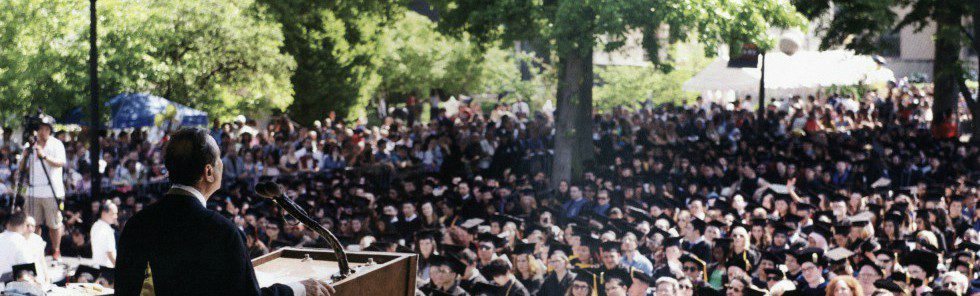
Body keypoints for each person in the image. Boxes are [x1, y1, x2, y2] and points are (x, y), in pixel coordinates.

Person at [115, 127, 333, 296]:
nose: (222, 164)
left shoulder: (137, 225)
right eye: (218, 158)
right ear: (208, 171)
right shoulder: (222, 232)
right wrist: (299, 289)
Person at [19, 115, 67, 260]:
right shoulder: (30, 146)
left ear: (50, 131)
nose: (42, 132)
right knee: (34, 223)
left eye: (46, 129)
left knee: (54, 224)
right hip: (33, 191)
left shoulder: (56, 144)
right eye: (40, 129)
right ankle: (35, 251)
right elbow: (22, 168)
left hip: (52, 191)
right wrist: (26, 155)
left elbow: (60, 163)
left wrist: (44, 156)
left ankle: (56, 251)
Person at [0, 212, 32, 282]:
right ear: (24, 225)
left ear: (8, 224)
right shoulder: (20, 241)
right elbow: (27, 272)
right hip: (8, 288)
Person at [90, 202, 118, 268]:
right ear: (104, 213)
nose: (116, 216)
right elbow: (110, 253)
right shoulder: (107, 229)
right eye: (114, 214)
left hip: (97, 267)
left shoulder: (95, 226)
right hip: (107, 270)